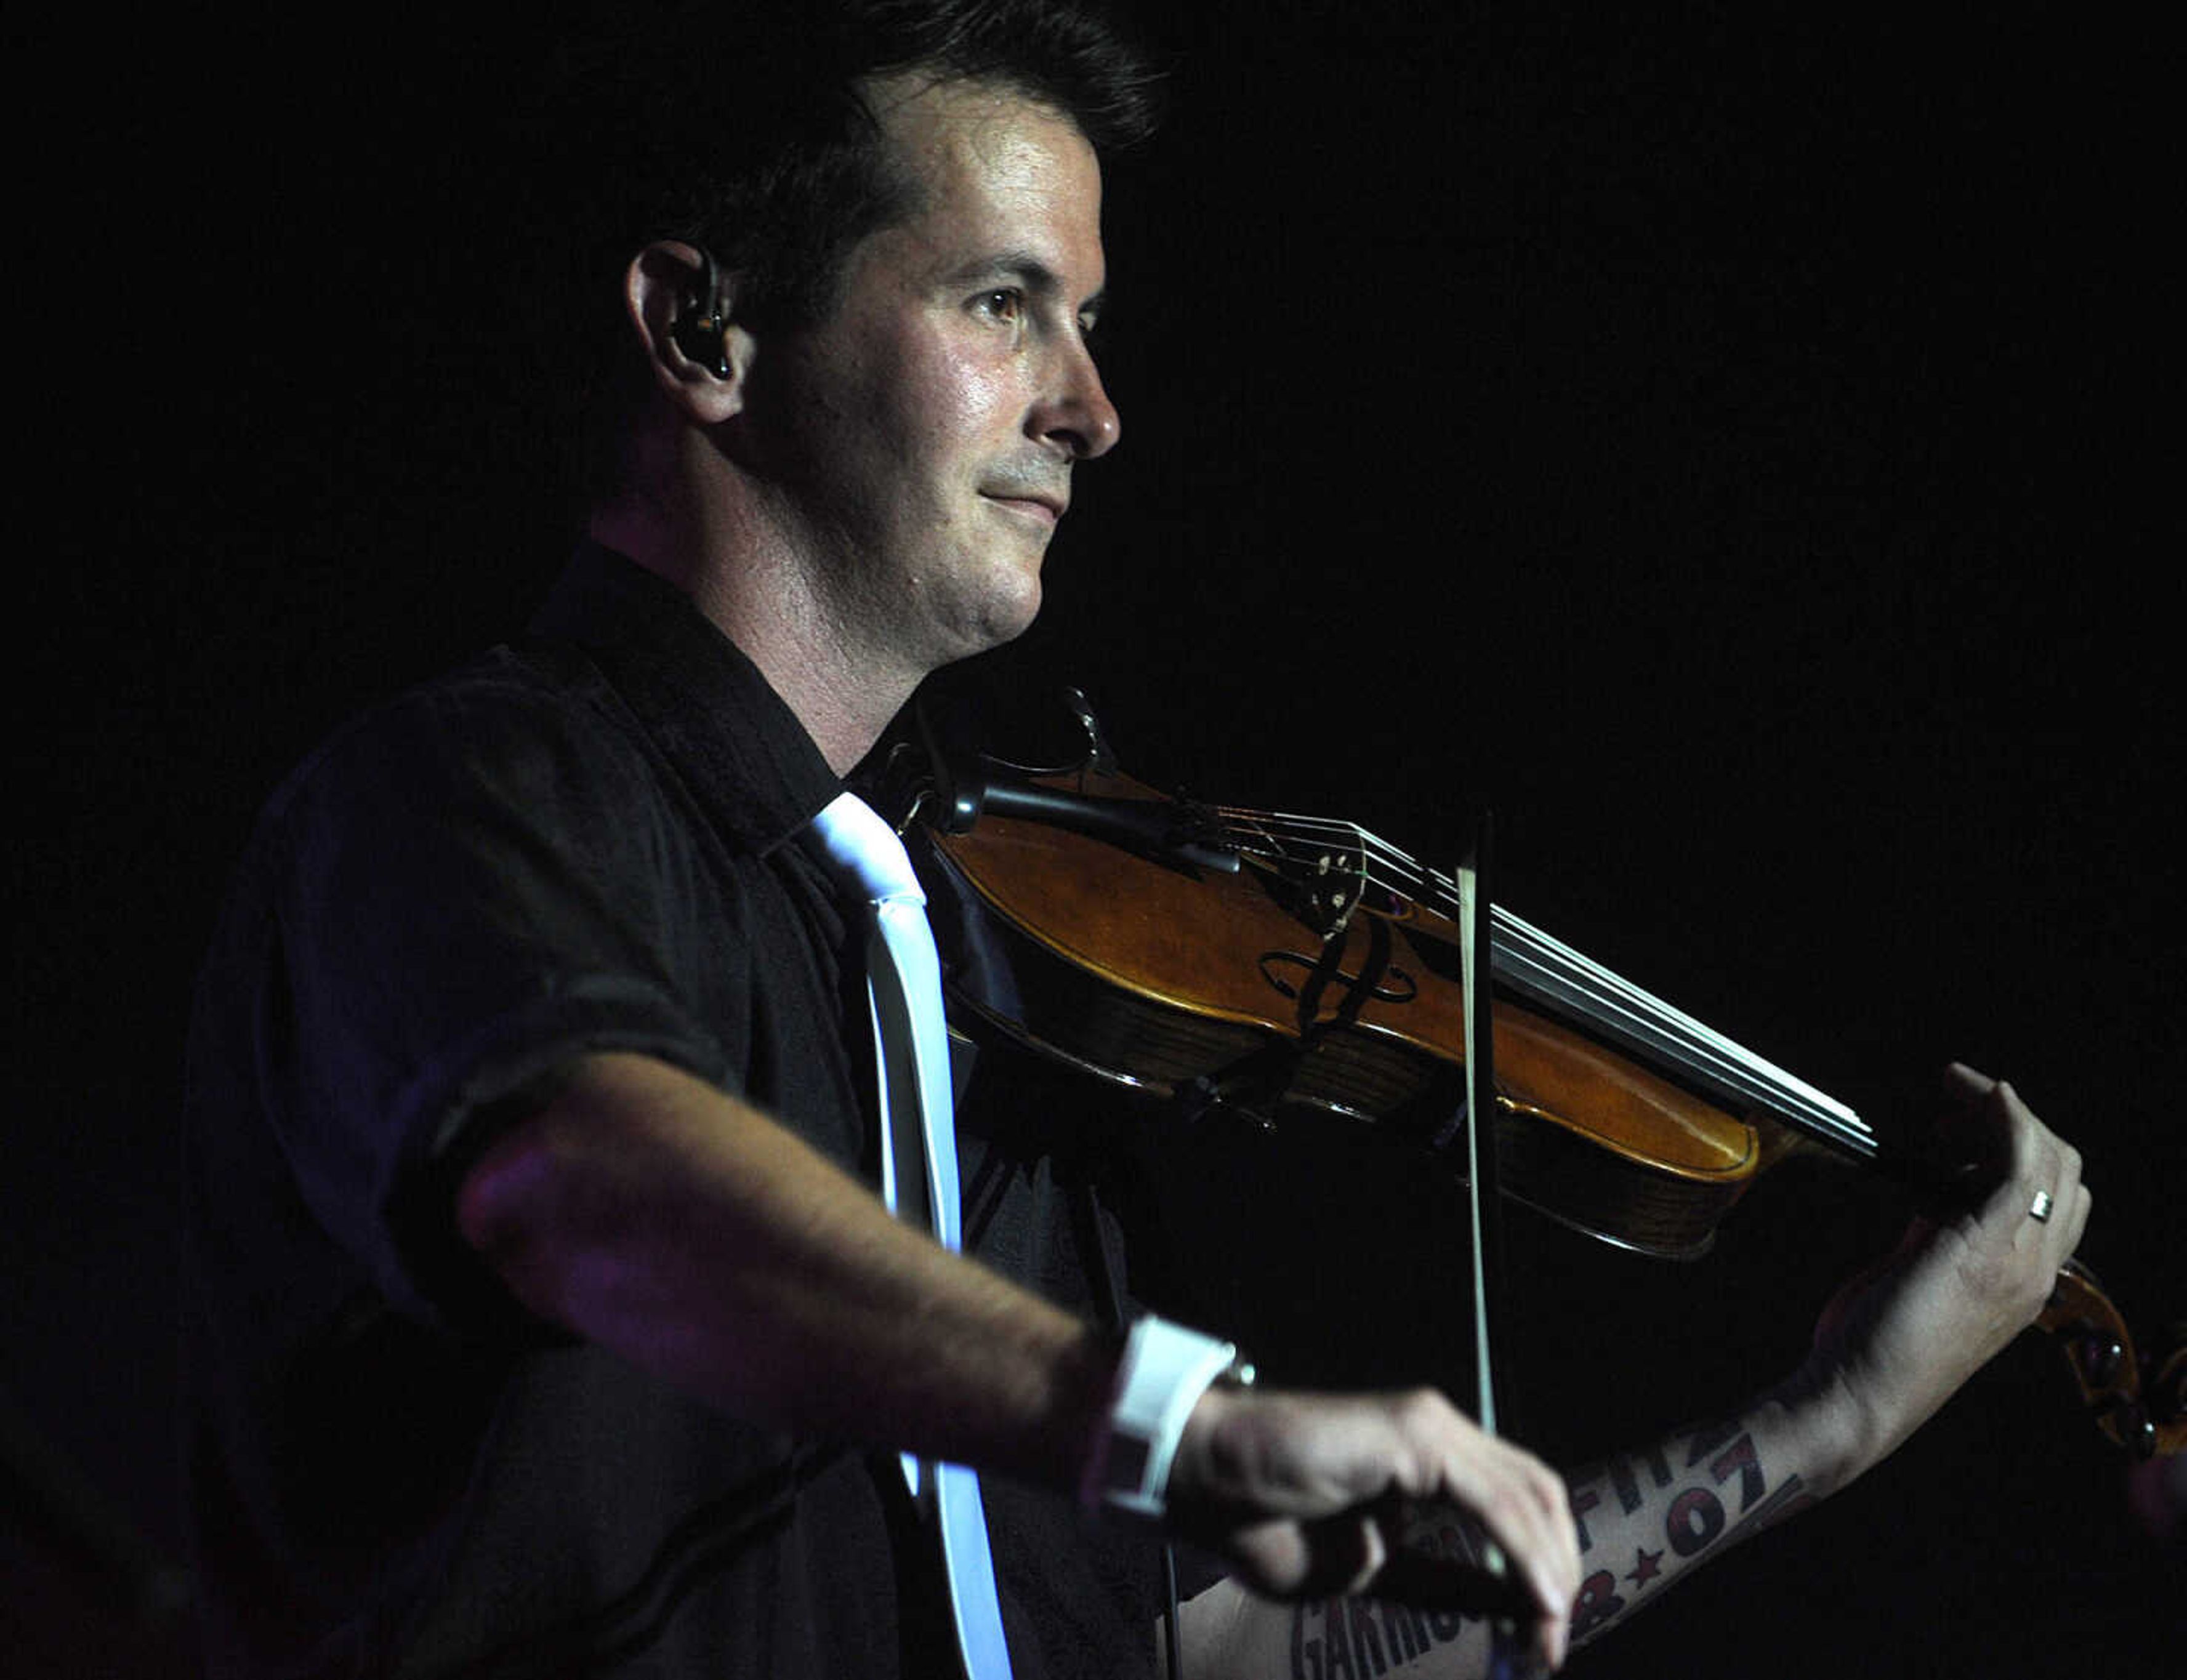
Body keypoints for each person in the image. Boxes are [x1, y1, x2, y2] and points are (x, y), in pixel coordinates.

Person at [179, 3, 2091, 1676]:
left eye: (1087, 322)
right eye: (1003, 302)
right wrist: (1164, 1415)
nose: (1092, 407)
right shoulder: (462, 794)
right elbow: (584, 1179)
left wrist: (1818, 1427)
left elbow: (1209, 1645)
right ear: (708, 327)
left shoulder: (975, 994)